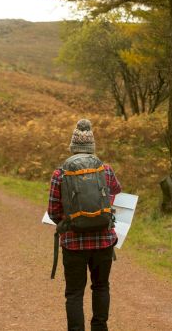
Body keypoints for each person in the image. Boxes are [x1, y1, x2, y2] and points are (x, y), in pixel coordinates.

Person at [48, 118, 122, 331]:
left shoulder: (60, 172)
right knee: (101, 287)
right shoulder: (105, 169)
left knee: (74, 293)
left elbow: (53, 211)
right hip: (103, 241)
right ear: (92, 147)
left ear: (73, 147)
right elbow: (116, 190)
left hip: (73, 243)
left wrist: (68, 223)